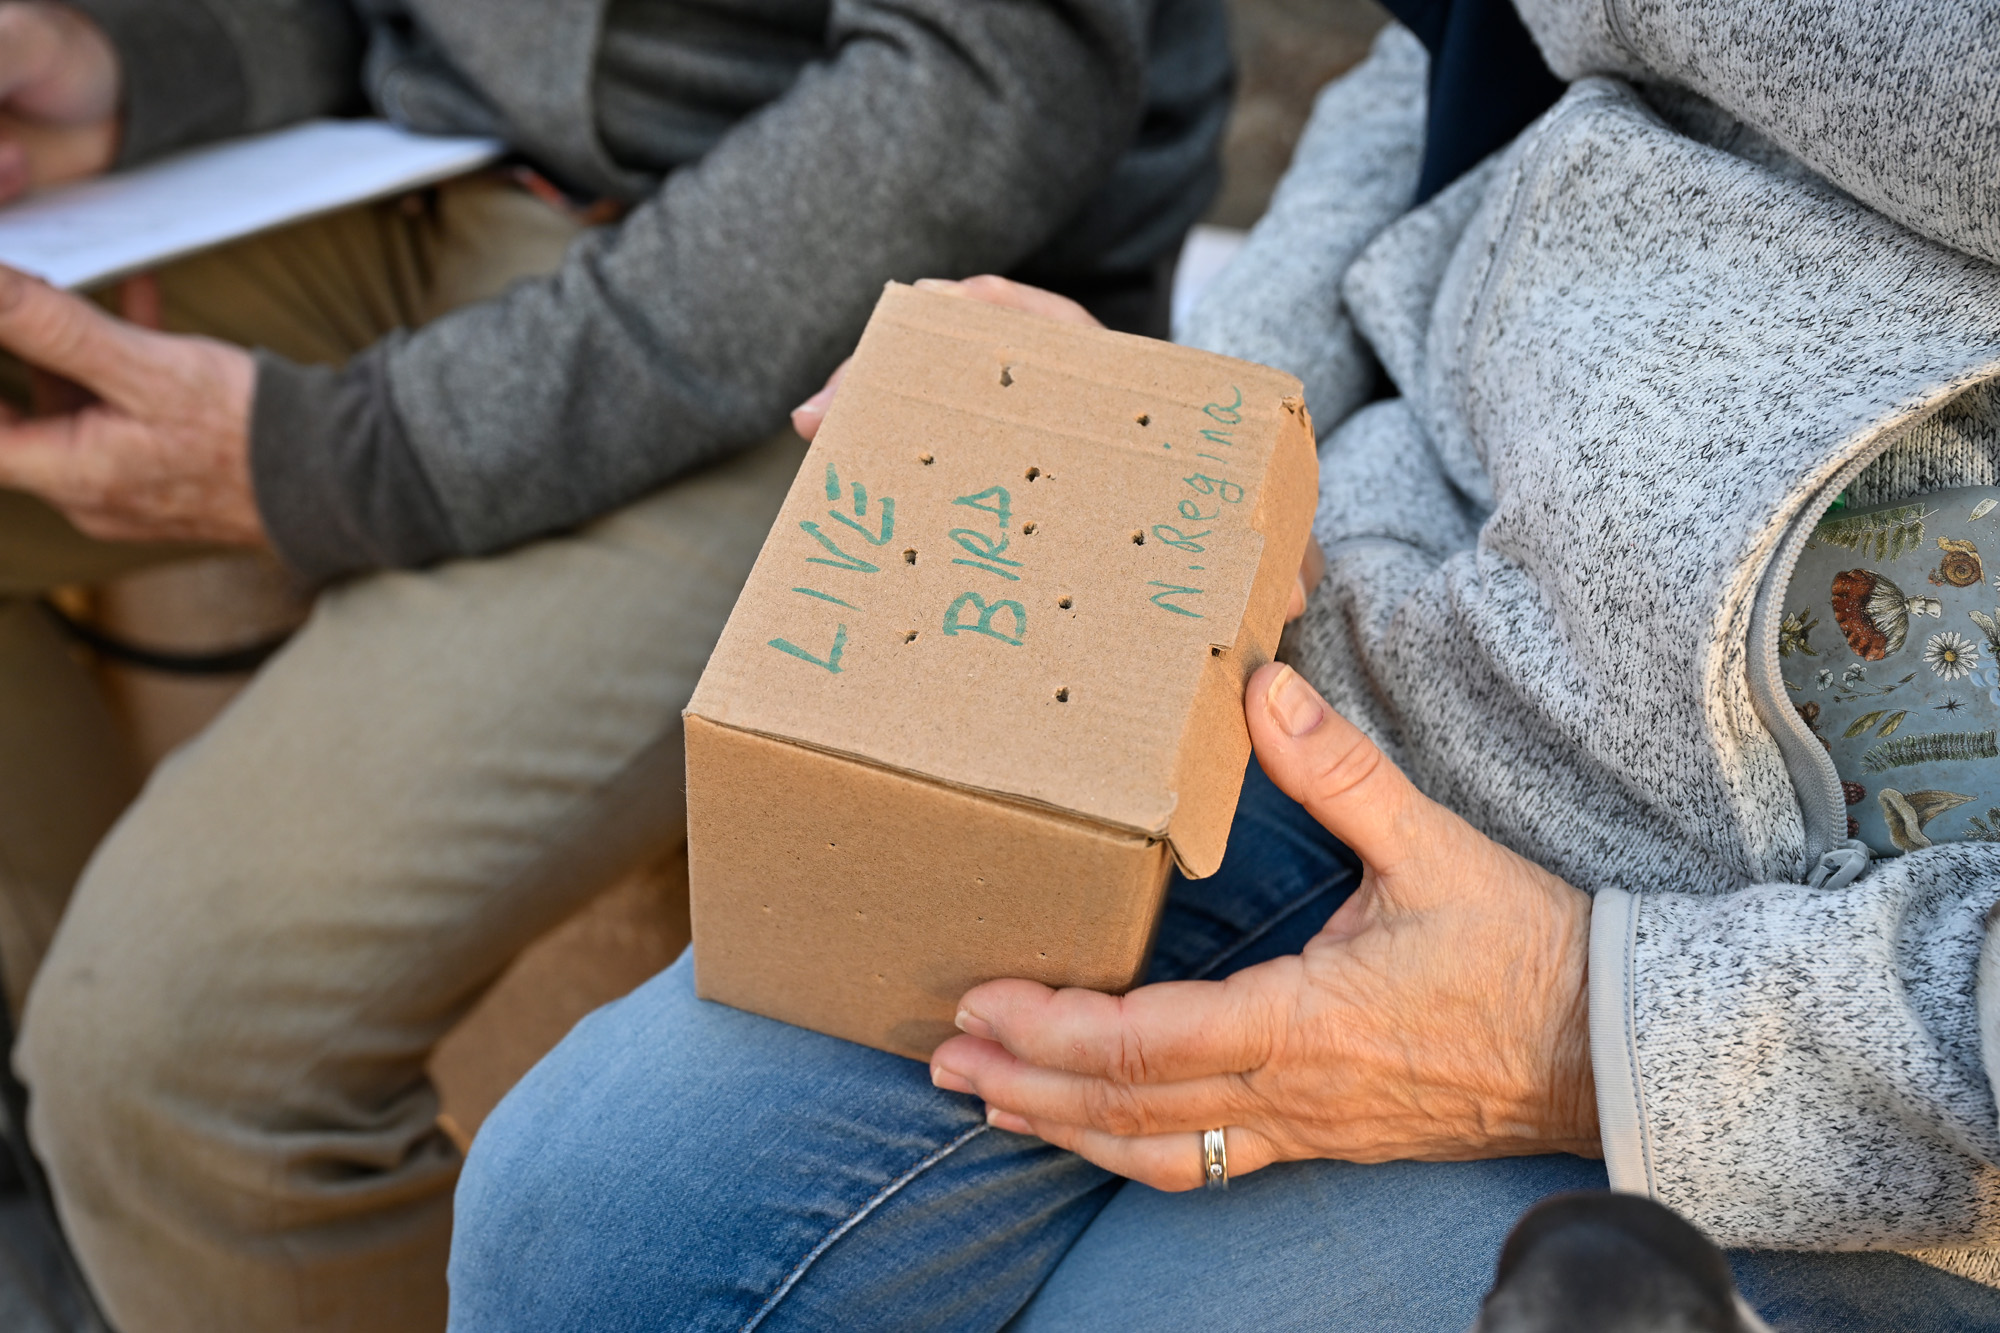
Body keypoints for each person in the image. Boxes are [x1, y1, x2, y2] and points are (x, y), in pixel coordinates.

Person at [445, 1, 2000, 1328]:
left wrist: (1578, 1032)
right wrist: (1204, 443)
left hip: (1809, 977)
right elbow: (1438, 66)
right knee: (580, 1221)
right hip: (1370, 647)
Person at [0, 1, 1232, 1329]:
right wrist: (146, 70)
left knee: (176, 1049)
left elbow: (986, 88)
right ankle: (91, 1221)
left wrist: (361, 457)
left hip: (856, 330)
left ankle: (166, 1201)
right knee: (126, 1092)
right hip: (422, 182)